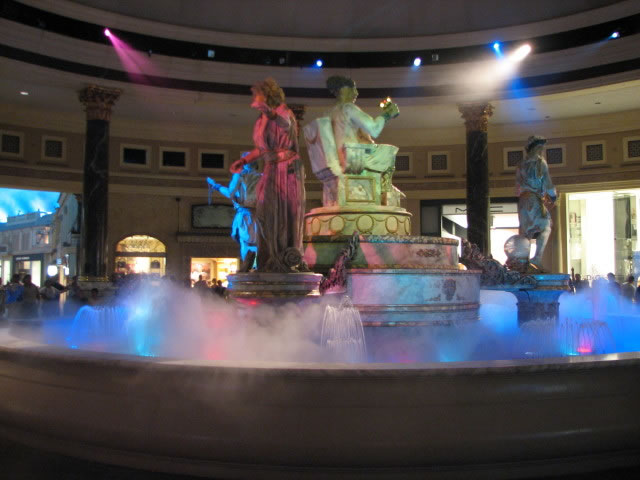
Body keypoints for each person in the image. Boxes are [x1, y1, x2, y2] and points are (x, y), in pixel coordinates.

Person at [229, 78, 306, 273]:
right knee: (264, 210)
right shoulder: (260, 120)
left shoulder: (283, 111)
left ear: (267, 95)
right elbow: (261, 149)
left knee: (285, 212)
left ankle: (286, 256)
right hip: (271, 168)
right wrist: (244, 160)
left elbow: (285, 124)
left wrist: (269, 112)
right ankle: (268, 256)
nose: (254, 98)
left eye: (257, 94)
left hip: (287, 170)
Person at [325, 75, 400, 199]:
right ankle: (385, 192)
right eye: (353, 88)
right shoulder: (348, 108)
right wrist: (387, 115)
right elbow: (374, 129)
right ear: (344, 89)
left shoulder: (329, 113)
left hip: (335, 160)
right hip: (351, 158)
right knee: (389, 152)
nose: (356, 93)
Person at [207, 159, 261, 271]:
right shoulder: (262, 177)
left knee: (245, 243)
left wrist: (216, 186)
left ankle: (248, 268)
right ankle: (256, 267)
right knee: (257, 243)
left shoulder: (240, 176)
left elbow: (230, 193)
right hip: (259, 216)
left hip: (244, 215)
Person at [515, 135, 557, 270]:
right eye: (541, 148)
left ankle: (524, 261)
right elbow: (548, 182)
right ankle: (537, 258)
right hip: (534, 199)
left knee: (526, 232)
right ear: (536, 148)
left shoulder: (521, 164)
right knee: (546, 226)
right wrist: (553, 196)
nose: (542, 151)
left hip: (523, 201)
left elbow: (517, 186)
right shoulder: (540, 163)